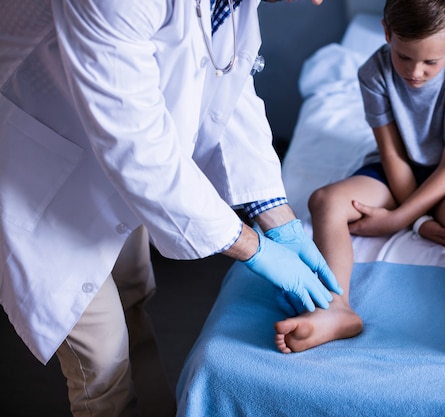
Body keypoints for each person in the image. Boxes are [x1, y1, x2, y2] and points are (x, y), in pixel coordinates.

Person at [0, 0, 340, 416]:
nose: (319, 2)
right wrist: (254, 248)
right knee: (102, 361)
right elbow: (138, 151)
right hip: (33, 166)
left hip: (117, 165)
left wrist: (278, 218)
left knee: (133, 298)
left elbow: (223, 89)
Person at [274, 0, 445, 363]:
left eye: (430, 62)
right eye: (404, 57)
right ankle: (336, 309)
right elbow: (393, 156)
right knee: (325, 201)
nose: (415, 72)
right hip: (396, 168)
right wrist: (419, 221)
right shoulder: (374, 72)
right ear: (387, 32)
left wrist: (399, 219)